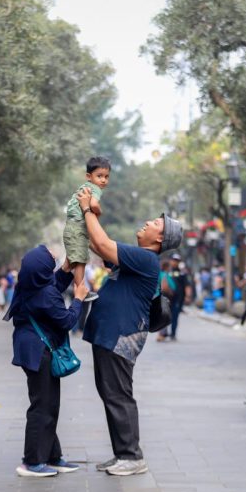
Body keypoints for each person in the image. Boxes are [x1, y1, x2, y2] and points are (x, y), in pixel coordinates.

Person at [77, 185, 183, 476]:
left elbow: (102, 243)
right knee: (110, 392)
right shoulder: (138, 257)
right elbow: (98, 245)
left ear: (159, 238)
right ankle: (122, 453)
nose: (149, 222)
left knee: (118, 394)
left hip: (120, 336)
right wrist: (91, 214)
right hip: (112, 334)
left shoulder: (146, 258)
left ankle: (132, 456)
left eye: (156, 223)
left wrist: (88, 209)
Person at [5, 246, 89, 477]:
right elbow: (66, 322)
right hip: (38, 351)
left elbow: (51, 285)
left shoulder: (31, 283)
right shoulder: (44, 294)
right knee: (41, 406)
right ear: (42, 268)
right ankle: (32, 462)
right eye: (51, 260)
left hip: (31, 347)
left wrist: (64, 270)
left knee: (49, 405)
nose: (55, 258)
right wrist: (79, 299)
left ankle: (52, 456)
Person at [63, 156, 111, 302]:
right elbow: (94, 205)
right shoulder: (94, 189)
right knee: (81, 261)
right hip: (78, 227)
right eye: (100, 176)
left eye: (106, 177)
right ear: (89, 176)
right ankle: (81, 289)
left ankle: (77, 287)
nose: (103, 180)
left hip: (72, 226)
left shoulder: (84, 187)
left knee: (73, 262)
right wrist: (99, 212)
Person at [169, 254, 192, 341]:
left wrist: (188, 296)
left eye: (176, 260)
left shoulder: (182, 273)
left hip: (178, 299)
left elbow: (187, 286)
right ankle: (163, 333)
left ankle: (173, 334)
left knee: (174, 316)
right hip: (166, 299)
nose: (174, 262)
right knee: (164, 316)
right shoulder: (166, 271)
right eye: (173, 260)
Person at [156, 260, 175, 342]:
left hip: (158, 296)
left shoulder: (158, 274)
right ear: (167, 267)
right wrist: (170, 292)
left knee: (162, 314)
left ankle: (163, 333)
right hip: (164, 296)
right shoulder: (164, 274)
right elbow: (164, 287)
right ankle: (162, 334)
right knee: (165, 314)